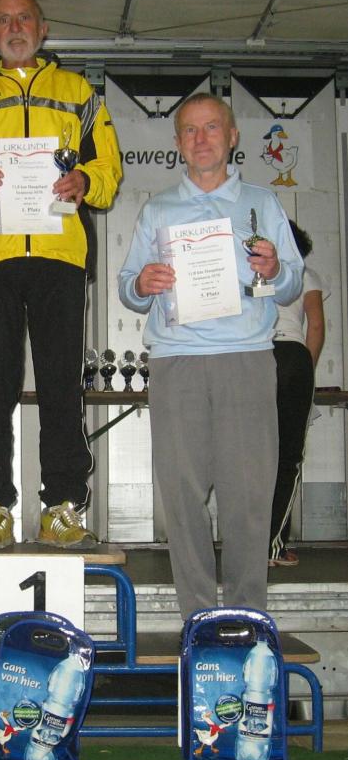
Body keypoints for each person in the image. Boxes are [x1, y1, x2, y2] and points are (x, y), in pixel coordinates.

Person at [0, 0, 122, 549]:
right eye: (3, 20)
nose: (15, 27)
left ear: (43, 27)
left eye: (25, 18)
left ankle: (62, 506)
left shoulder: (80, 93)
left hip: (60, 259)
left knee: (62, 386)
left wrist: (85, 180)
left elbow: (108, 172)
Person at [118, 92, 303, 620]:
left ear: (233, 136)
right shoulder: (158, 209)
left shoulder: (263, 203)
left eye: (212, 128)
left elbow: (292, 284)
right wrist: (143, 283)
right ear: (178, 143)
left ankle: (246, 617)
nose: (201, 139)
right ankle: (197, 617)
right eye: (190, 130)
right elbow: (128, 286)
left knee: (249, 499)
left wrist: (274, 270)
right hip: (176, 362)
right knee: (182, 497)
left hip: (247, 359)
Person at [269, 221, 325, 567]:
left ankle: (247, 547)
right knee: (287, 456)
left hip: (254, 357)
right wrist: (307, 369)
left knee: (250, 455)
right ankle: (272, 547)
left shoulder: (251, 272)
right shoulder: (307, 274)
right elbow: (315, 326)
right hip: (292, 356)